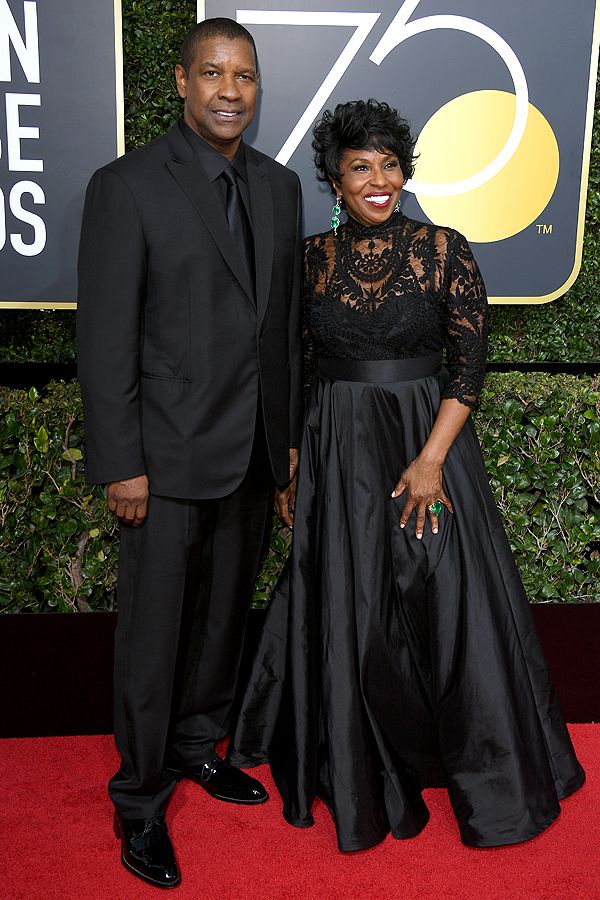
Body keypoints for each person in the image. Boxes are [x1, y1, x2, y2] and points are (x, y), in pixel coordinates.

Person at [229, 99, 585, 852]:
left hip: (430, 442)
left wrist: (430, 460)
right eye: (361, 167)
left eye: (390, 164)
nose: (378, 179)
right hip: (337, 449)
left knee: (450, 606)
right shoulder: (310, 259)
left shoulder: (443, 249)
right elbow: (296, 367)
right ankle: (365, 759)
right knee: (355, 609)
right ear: (335, 176)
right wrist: (292, 461)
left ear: (406, 170)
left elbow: (469, 364)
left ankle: (482, 766)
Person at [77, 18, 302, 888]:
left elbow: (279, 332)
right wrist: (120, 463)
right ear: (180, 82)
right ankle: (138, 799)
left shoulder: (280, 189)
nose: (230, 90)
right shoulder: (127, 185)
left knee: (220, 621)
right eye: (212, 73)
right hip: (163, 460)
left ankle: (201, 747)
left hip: (250, 452)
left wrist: (283, 449)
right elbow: (105, 340)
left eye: (244, 75)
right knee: (153, 635)